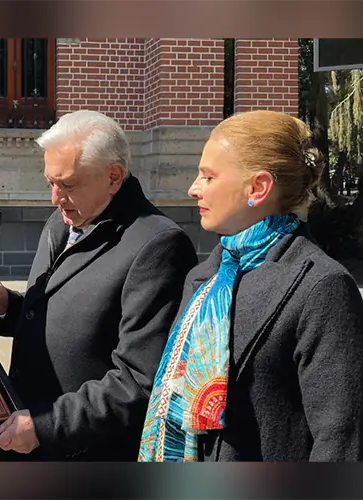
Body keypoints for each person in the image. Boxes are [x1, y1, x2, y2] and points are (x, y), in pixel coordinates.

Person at [138, 110, 363, 462]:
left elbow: (341, 438)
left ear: (257, 187)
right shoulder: (206, 278)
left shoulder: (321, 286)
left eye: (208, 176)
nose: (193, 188)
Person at [0, 110, 198, 461]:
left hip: (81, 453)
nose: (54, 197)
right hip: (22, 438)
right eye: (50, 181)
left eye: (67, 184)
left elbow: (138, 381)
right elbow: (66, 314)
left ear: (113, 176)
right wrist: (9, 305)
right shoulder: (63, 219)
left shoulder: (158, 244)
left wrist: (46, 426)